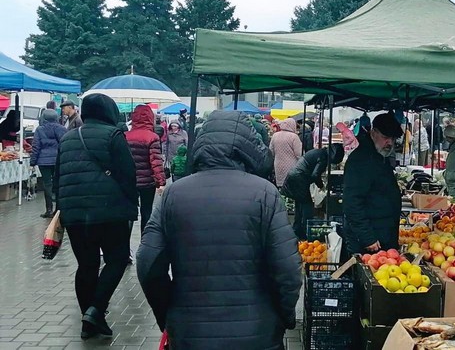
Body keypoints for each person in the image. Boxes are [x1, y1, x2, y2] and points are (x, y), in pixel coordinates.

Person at [136, 111, 301, 349]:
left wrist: (167, 314)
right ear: (248, 146)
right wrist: (284, 316)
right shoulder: (265, 193)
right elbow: (287, 269)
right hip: (256, 331)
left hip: (190, 331)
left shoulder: (173, 194)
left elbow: (148, 262)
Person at [54, 93, 137, 339]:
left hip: (75, 214)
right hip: (110, 211)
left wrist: (63, 207)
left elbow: (58, 177)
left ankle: (88, 322)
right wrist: (131, 204)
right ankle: (96, 310)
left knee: (86, 265)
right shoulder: (114, 135)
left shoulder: (67, 138)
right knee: (117, 259)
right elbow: (127, 174)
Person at [343, 112, 403, 255]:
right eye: (385, 137)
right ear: (373, 133)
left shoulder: (379, 156)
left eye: (393, 138)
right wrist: (367, 237)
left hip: (383, 233)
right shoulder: (362, 160)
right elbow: (352, 202)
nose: (390, 143)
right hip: (370, 241)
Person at [282, 143, 345, 240]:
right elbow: (315, 175)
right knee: (307, 206)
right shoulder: (323, 158)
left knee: (299, 205)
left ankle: (297, 229)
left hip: (293, 176)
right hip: (300, 179)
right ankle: (306, 230)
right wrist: (321, 186)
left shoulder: (319, 152)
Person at [125, 105, 166, 233]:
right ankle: (145, 239)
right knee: (146, 211)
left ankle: (125, 241)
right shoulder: (152, 137)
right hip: (147, 182)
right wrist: (161, 182)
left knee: (128, 212)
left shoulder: (125, 136)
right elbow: (156, 162)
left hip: (129, 181)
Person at [30, 109, 66, 218]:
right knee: (58, 184)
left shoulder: (39, 129)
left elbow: (36, 146)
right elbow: (64, 144)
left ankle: (48, 209)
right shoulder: (61, 129)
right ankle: (58, 210)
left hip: (43, 161)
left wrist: (32, 162)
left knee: (47, 184)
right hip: (58, 160)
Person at [269, 118, 302, 187]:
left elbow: (271, 151)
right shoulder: (294, 137)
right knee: (290, 185)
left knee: (280, 184)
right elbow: (298, 154)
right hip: (291, 164)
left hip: (278, 163)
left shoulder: (275, 135)